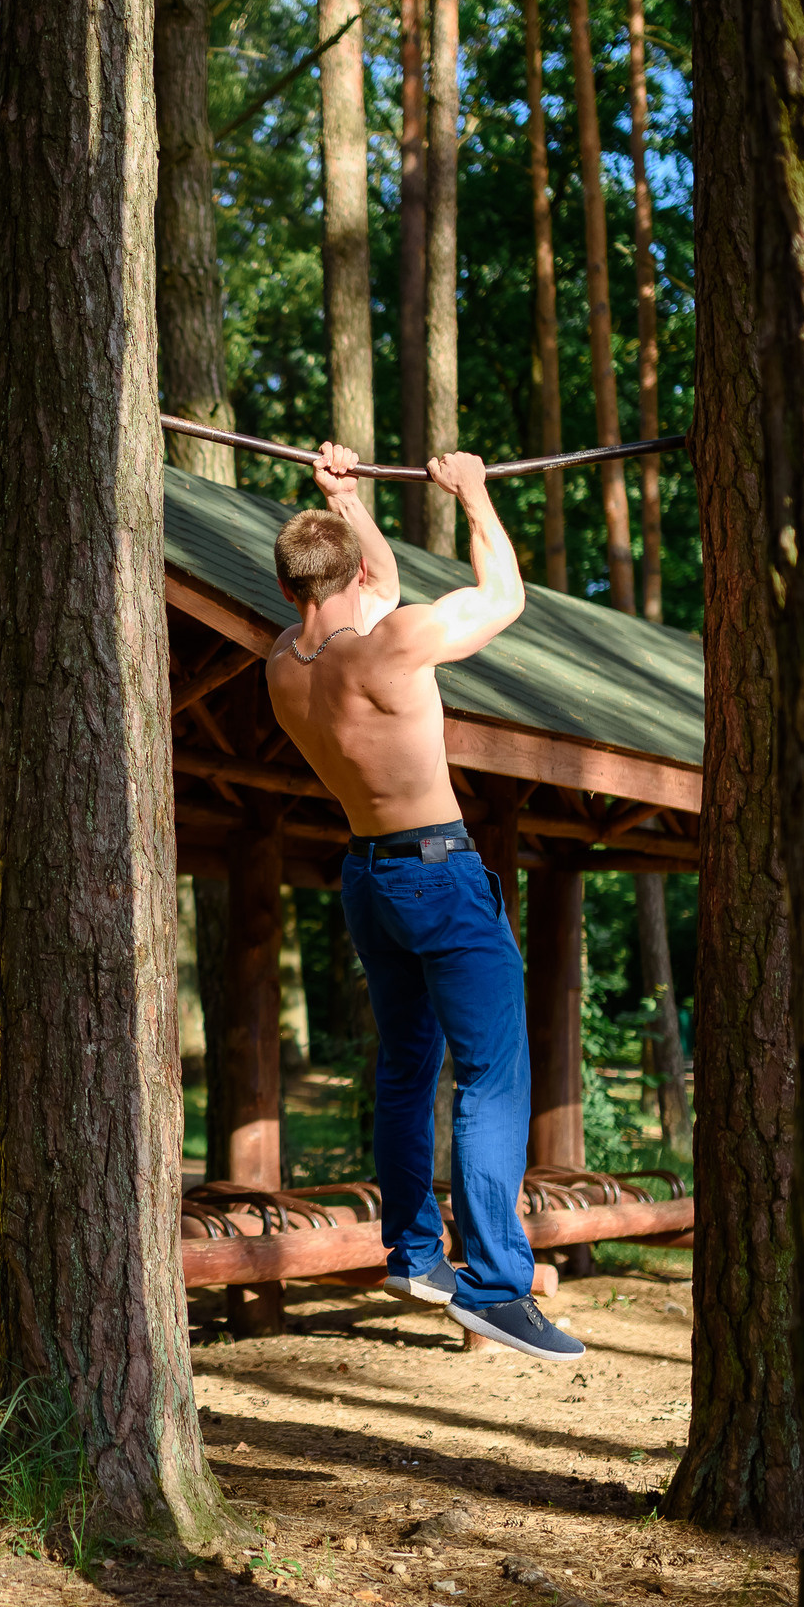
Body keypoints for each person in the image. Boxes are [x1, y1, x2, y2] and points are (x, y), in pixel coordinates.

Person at [263, 444, 582, 1362]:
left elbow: (375, 578)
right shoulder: (394, 643)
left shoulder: (284, 664)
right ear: (353, 580)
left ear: (292, 590)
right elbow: (505, 597)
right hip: (439, 874)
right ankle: (493, 1287)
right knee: (491, 1076)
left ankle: (412, 1253)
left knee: (406, 1067)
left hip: (366, 876)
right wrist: (474, 497)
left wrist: (345, 498)